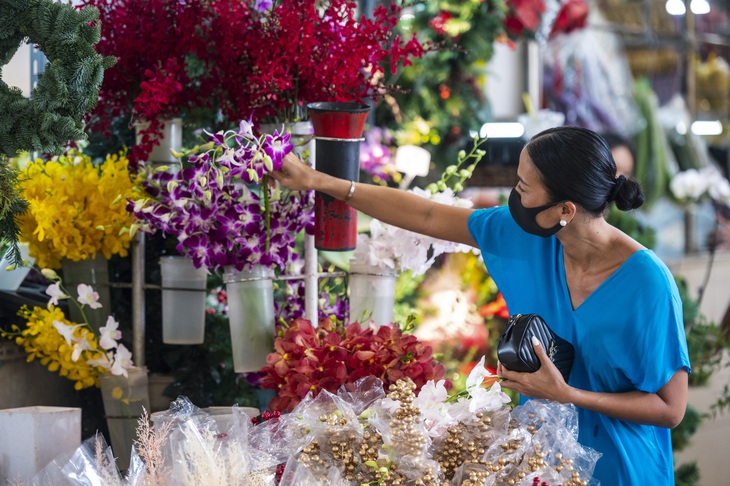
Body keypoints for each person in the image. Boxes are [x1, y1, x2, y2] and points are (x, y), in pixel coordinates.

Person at [272, 126, 690, 485]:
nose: (515, 196)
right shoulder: (529, 236)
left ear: (565, 210)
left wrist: (568, 395)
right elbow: (430, 217)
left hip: (624, 470)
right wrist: (321, 182)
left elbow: (671, 409)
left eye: (525, 189)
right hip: (542, 466)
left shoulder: (646, 284)